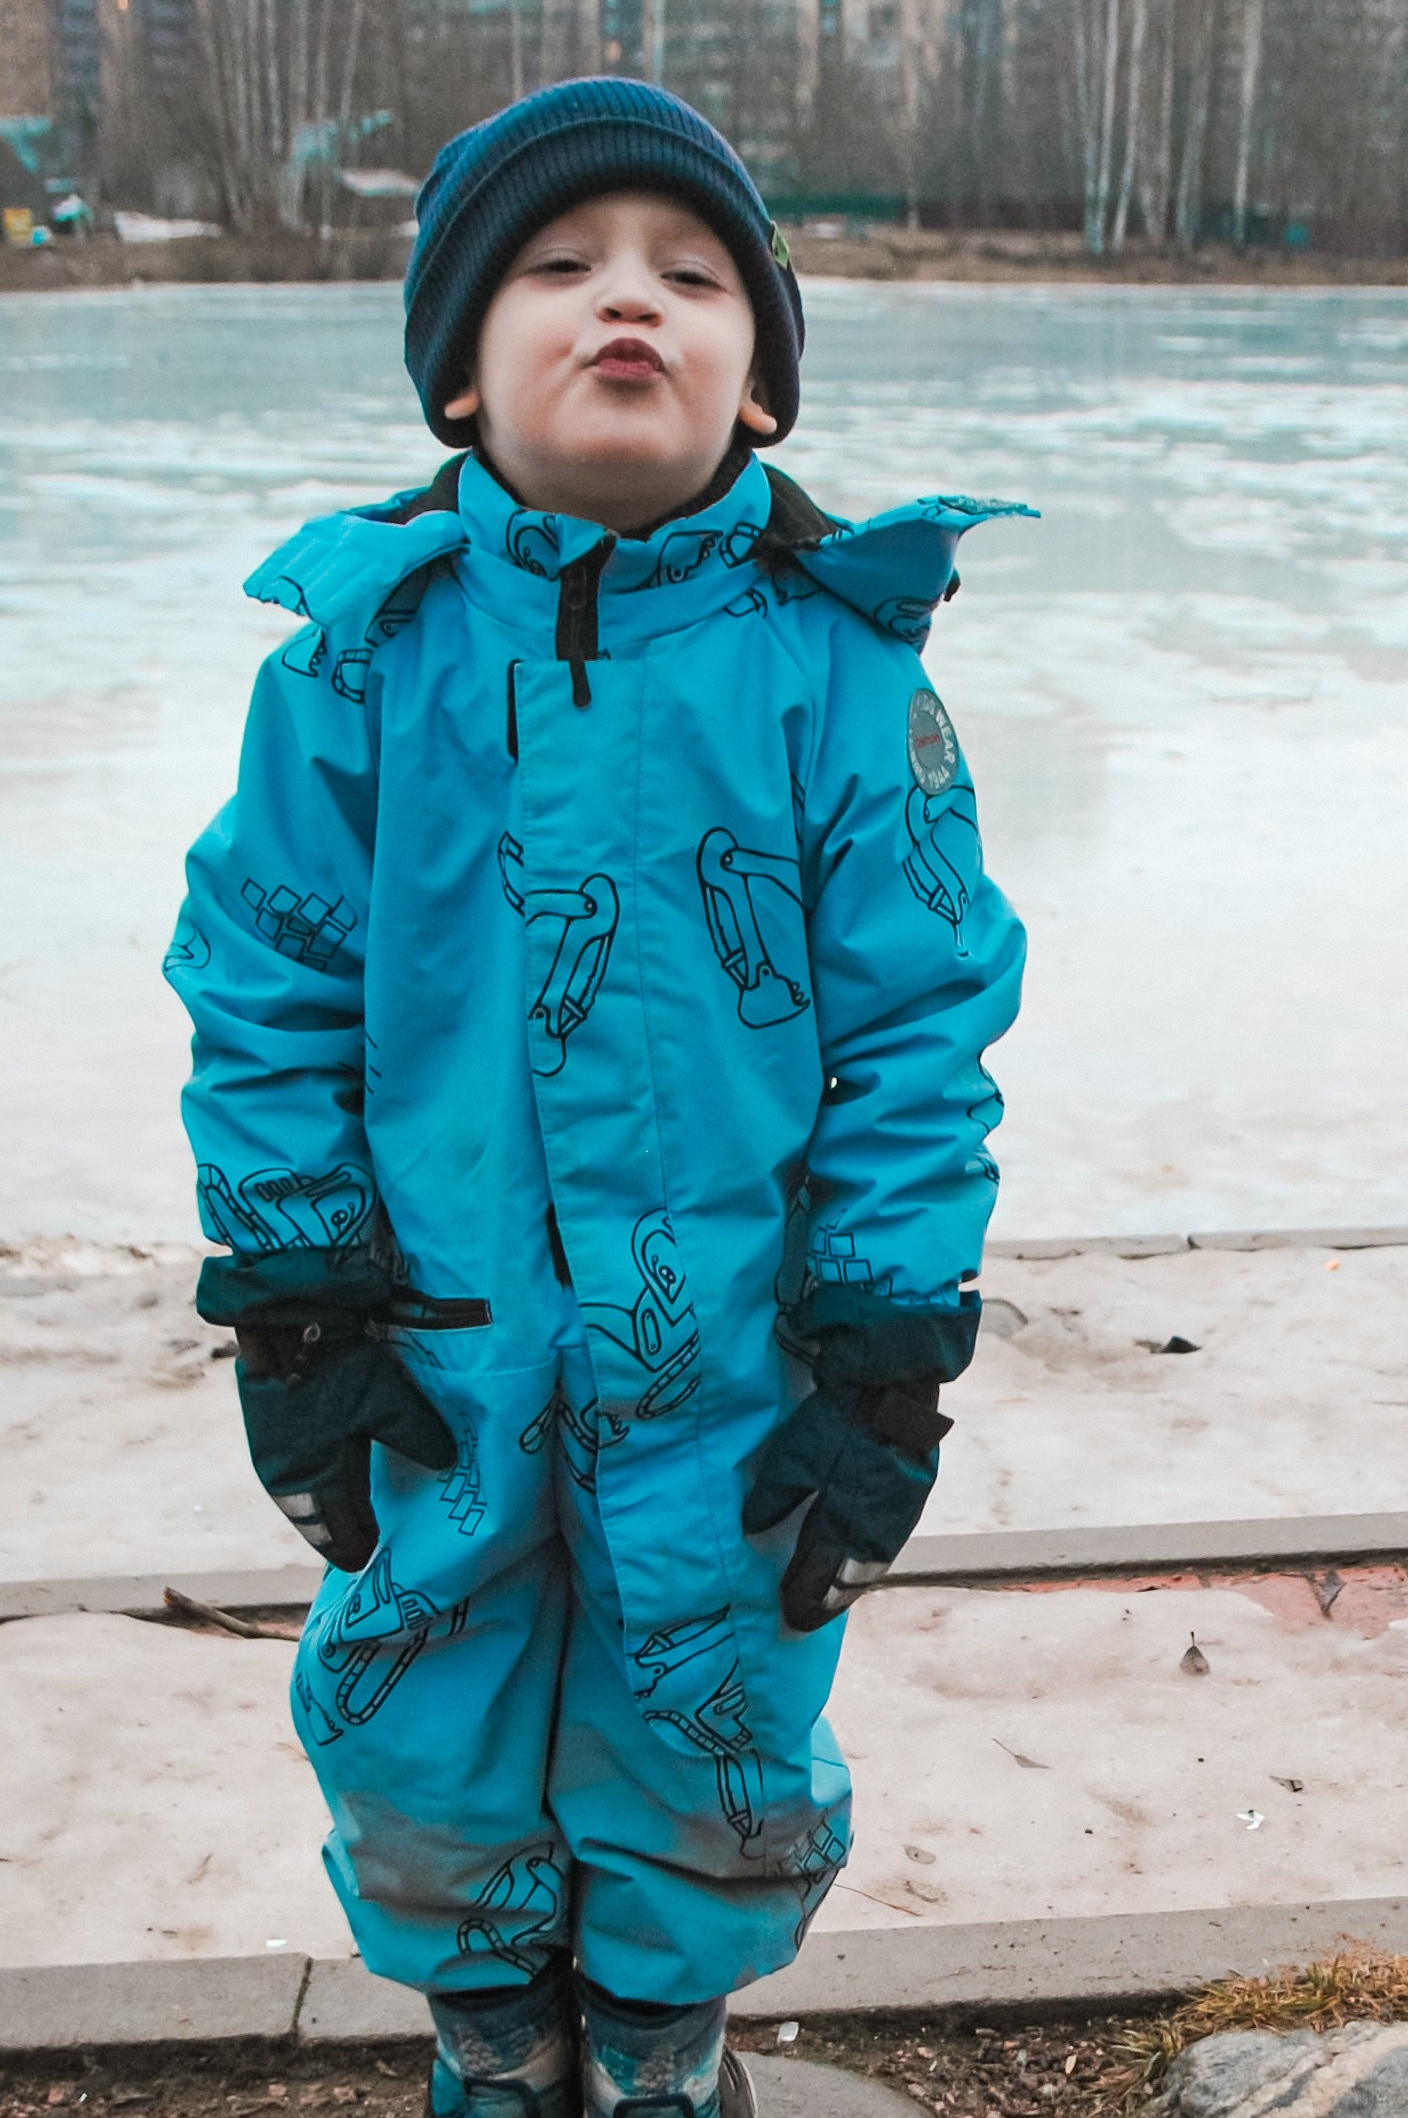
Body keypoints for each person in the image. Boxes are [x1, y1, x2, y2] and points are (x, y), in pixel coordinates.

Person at [163, 78, 1027, 2118]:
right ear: (459, 379)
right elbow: (262, 970)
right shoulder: (357, 670)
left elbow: (922, 1025)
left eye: (690, 274)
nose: (624, 303)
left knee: (713, 1717)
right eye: (555, 271)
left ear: (761, 386)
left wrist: (887, 1346)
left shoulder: (836, 674)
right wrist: (295, 1295)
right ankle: (486, 2033)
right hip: (438, 1343)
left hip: (733, 1363)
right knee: (418, 1718)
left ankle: (658, 2046)